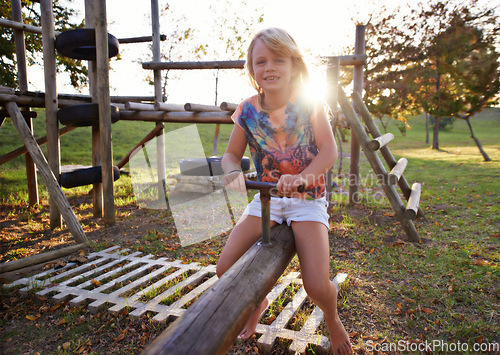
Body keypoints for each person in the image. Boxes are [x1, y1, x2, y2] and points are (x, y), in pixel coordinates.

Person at [216, 28, 352, 355]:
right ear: (252, 70)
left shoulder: (309, 103)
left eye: (278, 59)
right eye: (261, 61)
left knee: (316, 285)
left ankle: (333, 319)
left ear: (293, 65)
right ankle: (258, 302)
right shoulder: (247, 110)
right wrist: (233, 171)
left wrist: (302, 178)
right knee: (225, 269)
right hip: (268, 199)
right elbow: (231, 155)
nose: (270, 67)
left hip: (307, 200)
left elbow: (329, 152)